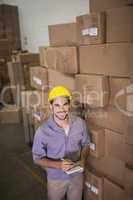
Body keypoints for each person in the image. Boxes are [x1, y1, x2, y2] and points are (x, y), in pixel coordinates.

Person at [32, 85, 90, 200]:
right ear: (51, 107)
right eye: (57, 105)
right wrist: (59, 165)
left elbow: (86, 144)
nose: (62, 110)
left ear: (69, 105)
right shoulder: (43, 131)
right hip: (56, 179)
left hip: (76, 176)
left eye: (65, 104)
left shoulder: (80, 124)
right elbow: (37, 158)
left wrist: (83, 160)